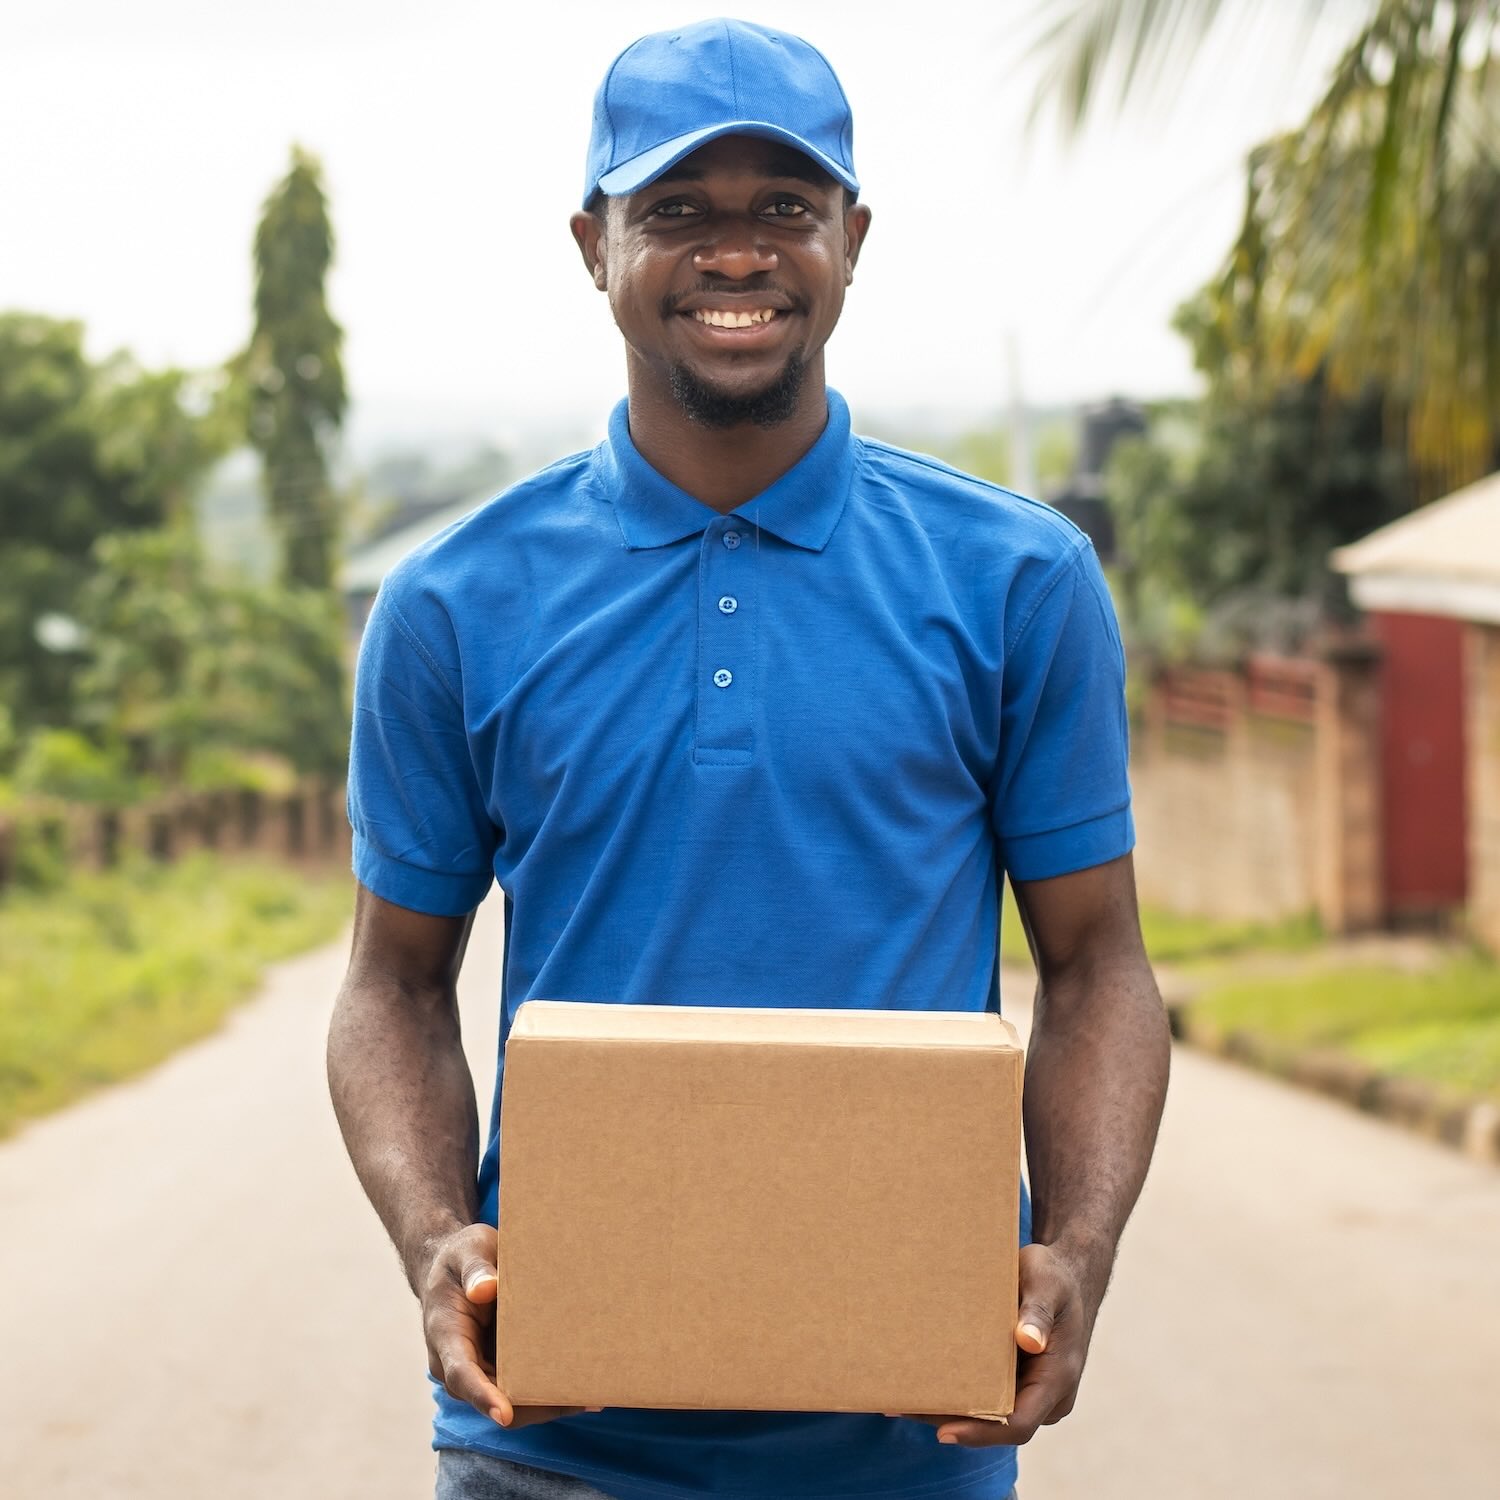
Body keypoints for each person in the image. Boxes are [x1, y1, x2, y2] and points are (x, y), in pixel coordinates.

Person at [329, 18, 1170, 1500]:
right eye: (676, 213)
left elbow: (1099, 962)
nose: (737, 254)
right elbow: (392, 983)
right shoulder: (457, 601)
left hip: (910, 1438)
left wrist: (1076, 1252)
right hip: (552, 1440)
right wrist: (432, 1235)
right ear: (593, 244)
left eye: (784, 207)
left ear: (854, 236)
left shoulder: (1016, 579)